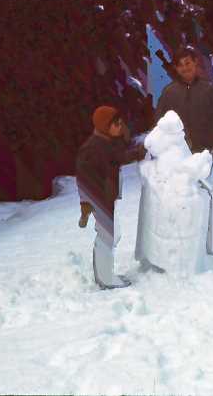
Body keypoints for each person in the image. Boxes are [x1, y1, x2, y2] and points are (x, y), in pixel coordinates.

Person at [149, 45, 213, 261]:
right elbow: (159, 126)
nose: (185, 68)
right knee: (182, 204)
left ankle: (211, 248)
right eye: (181, 65)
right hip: (179, 158)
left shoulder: (210, 91)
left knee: (206, 201)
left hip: (205, 156)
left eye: (188, 63)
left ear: (196, 63)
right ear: (176, 68)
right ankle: (186, 249)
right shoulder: (169, 93)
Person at [76, 105, 146, 290]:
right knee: (107, 235)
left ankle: (105, 274)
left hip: (105, 196)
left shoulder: (105, 142)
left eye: (121, 123)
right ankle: (105, 278)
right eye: (116, 123)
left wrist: (137, 151)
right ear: (104, 125)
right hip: (99, 197)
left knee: (111, 234)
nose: (120, 126)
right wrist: (87, 202)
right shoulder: (94, 148)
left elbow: (118, 156)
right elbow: (86, 175)